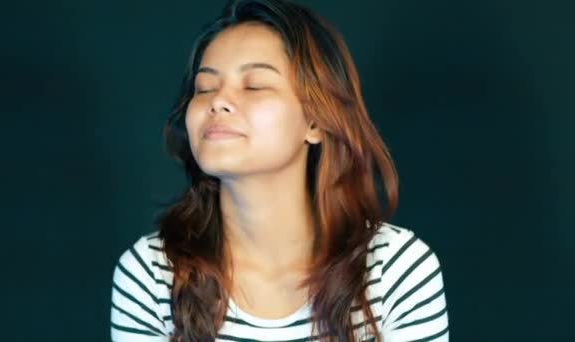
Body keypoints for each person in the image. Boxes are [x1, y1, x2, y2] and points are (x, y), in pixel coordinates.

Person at [110, 0, 449, 341]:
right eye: (205, 88)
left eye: (254, 85)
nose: (218, 101)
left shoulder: (395, 269)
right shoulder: (153, 272)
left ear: (316, 121)